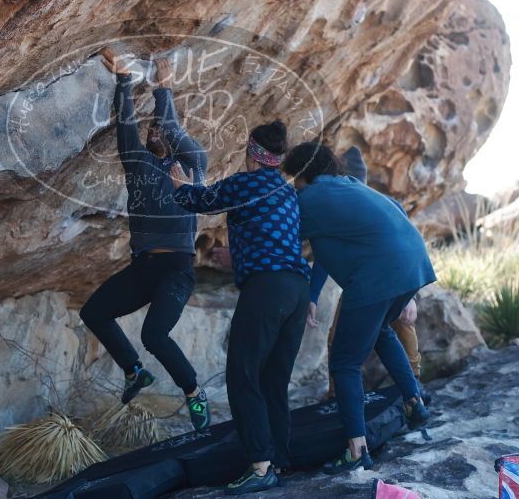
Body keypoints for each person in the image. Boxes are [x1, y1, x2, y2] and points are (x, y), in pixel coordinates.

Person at [171, 121, 311, 496]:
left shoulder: (244, 183)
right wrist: (238, 256)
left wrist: (178, 181)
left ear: (251, 154)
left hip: (266, 288)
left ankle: (260, 467)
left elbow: (194, 200)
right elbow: (274, 238)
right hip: (297, 288)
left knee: (243, 374)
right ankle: (279, 459)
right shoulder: (287, 192)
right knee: (273, 379)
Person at [283, 142, 435, 475]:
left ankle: (356, 450)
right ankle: (415, 403)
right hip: (413, 266)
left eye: (294, 176)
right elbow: (327, 250)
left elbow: (280, 235)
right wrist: (312, 293)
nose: (292, 184)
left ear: (305, 175)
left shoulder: (310, 199)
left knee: (345, 362)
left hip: (378, 276)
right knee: (380, 330)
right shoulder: (349, 187)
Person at [79, 47, 211, 431]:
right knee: (94, 312)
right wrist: (123, 80)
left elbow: (170, 127)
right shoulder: (136, 162)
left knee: (154, 334)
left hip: (177, 270)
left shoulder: (192, 164)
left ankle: (193, 393)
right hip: (144, 267)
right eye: (150, 129)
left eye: (161, 129)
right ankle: (135, 372)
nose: (154, 131)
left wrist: (163, 89)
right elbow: (125, 124)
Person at [307, 147, 424, 400]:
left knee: (401, 325)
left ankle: (414, 387)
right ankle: (337, 395)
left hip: (387, 281)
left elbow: (406, 247)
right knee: (341, 336)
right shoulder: (338, 203)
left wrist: (412, 297)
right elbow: (324, 256)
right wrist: (313, 295)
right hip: (364, 284)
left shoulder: (380, 202)